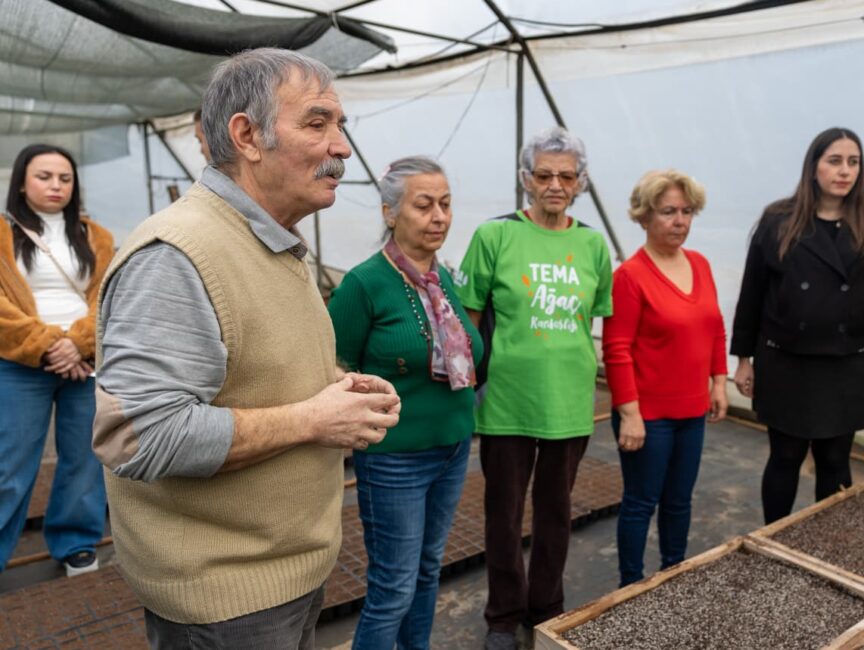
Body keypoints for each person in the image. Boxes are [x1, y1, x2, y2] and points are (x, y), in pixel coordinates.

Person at [92, 48, 400, 648]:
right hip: (227, 602)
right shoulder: (179, 255)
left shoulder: (271, 240)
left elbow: (248, 364)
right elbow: (137, 435)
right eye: (318, 123)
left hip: (282, 578)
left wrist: (333, 386)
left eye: (341, 127)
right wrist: (313, 418)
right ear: (247, 135)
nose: (341, 147)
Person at [454, 127, 613, 650]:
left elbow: (595, 319)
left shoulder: (592, 245)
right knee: (502, 512)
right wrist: (465, 387)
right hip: (505, 401)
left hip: (569, 401)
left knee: (556, 512)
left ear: (580, 182)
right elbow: (470, 321)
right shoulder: (495, 236)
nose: (554, 184)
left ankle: (546, 606)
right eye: (543, 175)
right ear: (526, 180)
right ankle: (503, 615)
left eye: (565, 176)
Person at [328, 156, 483, 650]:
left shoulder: (446, 279)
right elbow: (332, 366)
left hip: (454, 447)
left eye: (445, 204)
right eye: (424, 205)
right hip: (395, 458)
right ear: (390, 212)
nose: (439, 216)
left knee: (426, 572)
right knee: (393, 588)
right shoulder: (365, 283)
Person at [729, 127, 864, 525]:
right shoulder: (779, 219)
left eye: (853, 162)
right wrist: (743, 358)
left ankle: (827, 546)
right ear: (813, 167)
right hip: (786, 361)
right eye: (835, 161)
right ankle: (773, 538)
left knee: (835, 459)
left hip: (849, 364)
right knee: (785, 456)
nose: (845, 171)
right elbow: (752, 291)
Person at [602, 170, 728, 587]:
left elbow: (713, 327)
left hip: (691, 411)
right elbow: (616, 349)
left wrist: (719, 381)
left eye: (687, 212)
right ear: (644, 216)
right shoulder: (630, 277)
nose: (680, 221)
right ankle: (631, 586)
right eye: (668, 211)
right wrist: (630, 414)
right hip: (649, 416)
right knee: (641, 502)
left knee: (679, 501)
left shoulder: (700, 264)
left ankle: (673, 575)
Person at [0, 144, 113, 577]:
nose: (55, 186)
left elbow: (106, 296)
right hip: (20, 364)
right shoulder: (4, 233)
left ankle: (75, 542)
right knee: (9, 464)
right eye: (44, 176)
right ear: (22, 182)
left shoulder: (95, 235)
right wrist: (50, 343)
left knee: (85, 458)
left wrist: (78, 344)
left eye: (64, 179)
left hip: (82, 363)